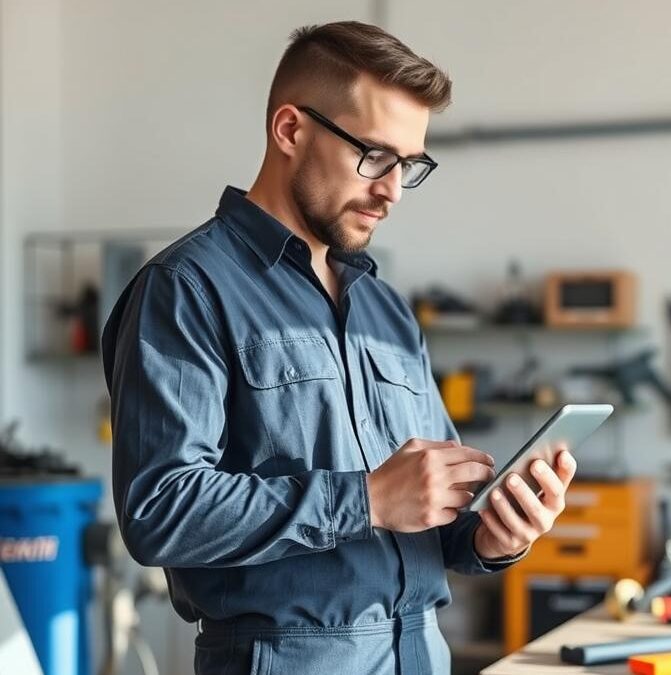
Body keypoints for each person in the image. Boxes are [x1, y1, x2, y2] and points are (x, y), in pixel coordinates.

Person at [101, 21, 578, 675]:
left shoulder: (386, 310)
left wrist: (495, 535)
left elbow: (435, 516)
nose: (391, 190)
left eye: (408, 165)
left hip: (421, 653)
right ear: (290, 130)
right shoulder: (186, 288)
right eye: (374, 155)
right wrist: (367, 499)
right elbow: (160, 509)